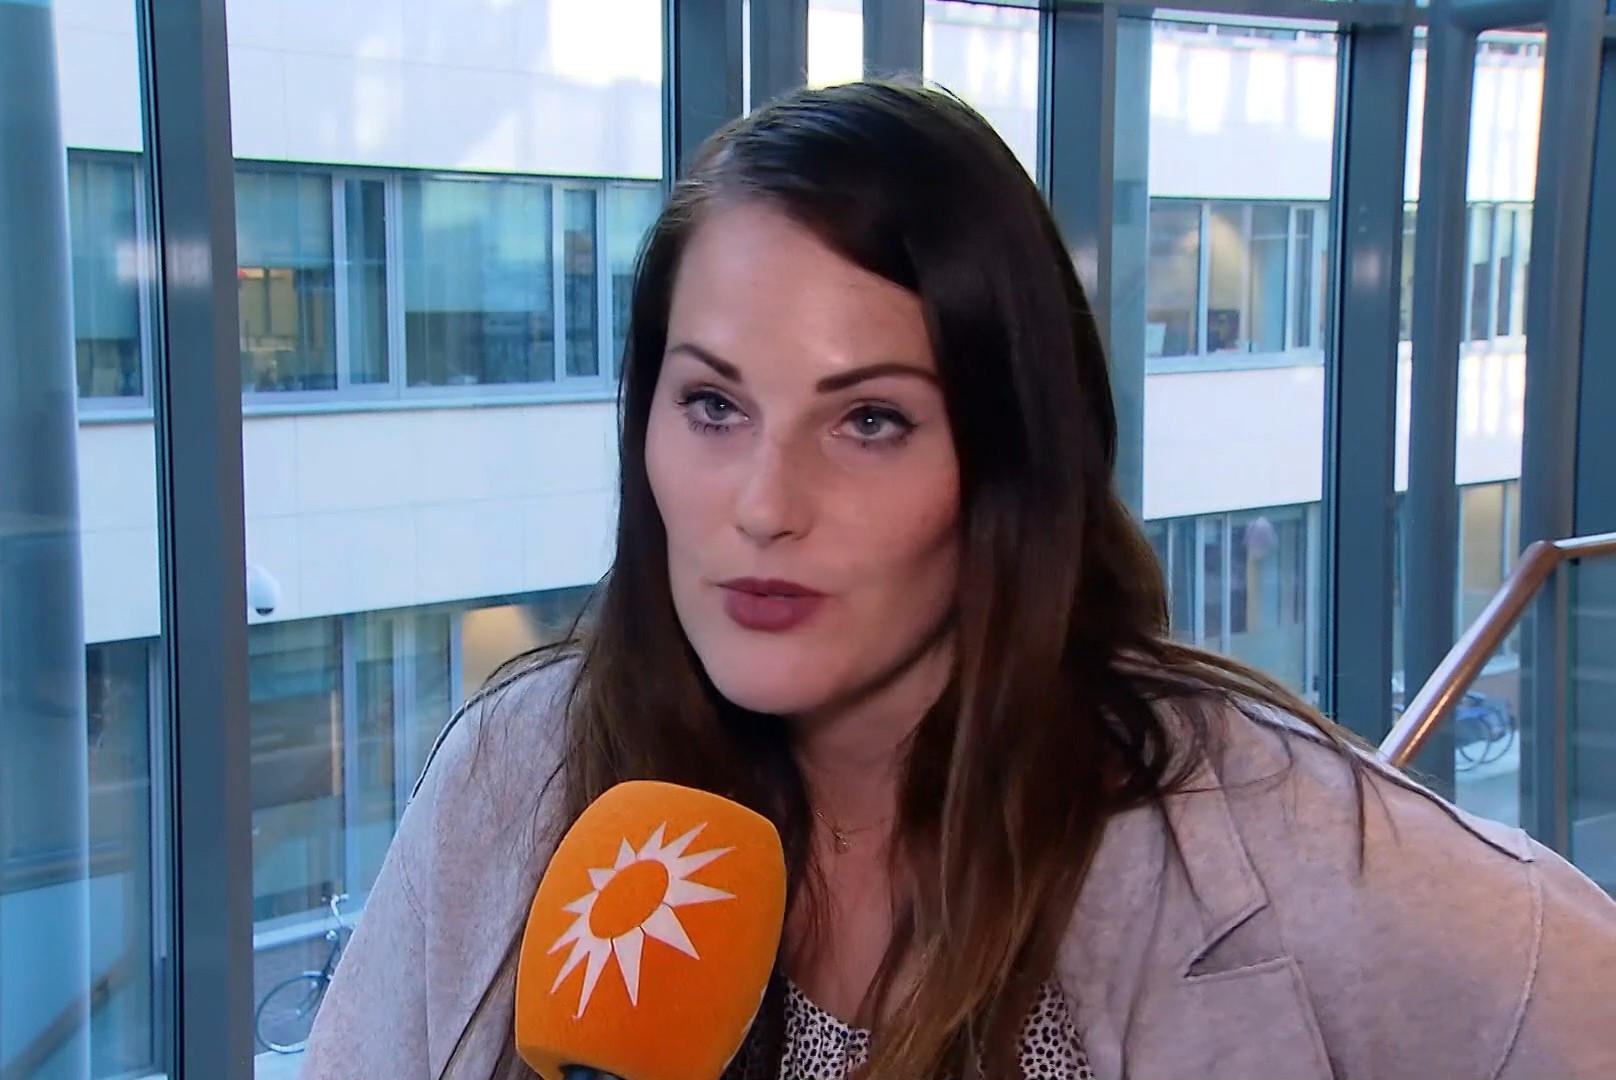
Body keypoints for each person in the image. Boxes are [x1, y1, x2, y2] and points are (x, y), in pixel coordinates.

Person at [304, 81, 1616, 1080]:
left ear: (1006, 457)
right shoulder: (519, 772)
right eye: (712, 405)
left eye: (870, 420)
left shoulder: (1280, 843)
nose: (763, 506)